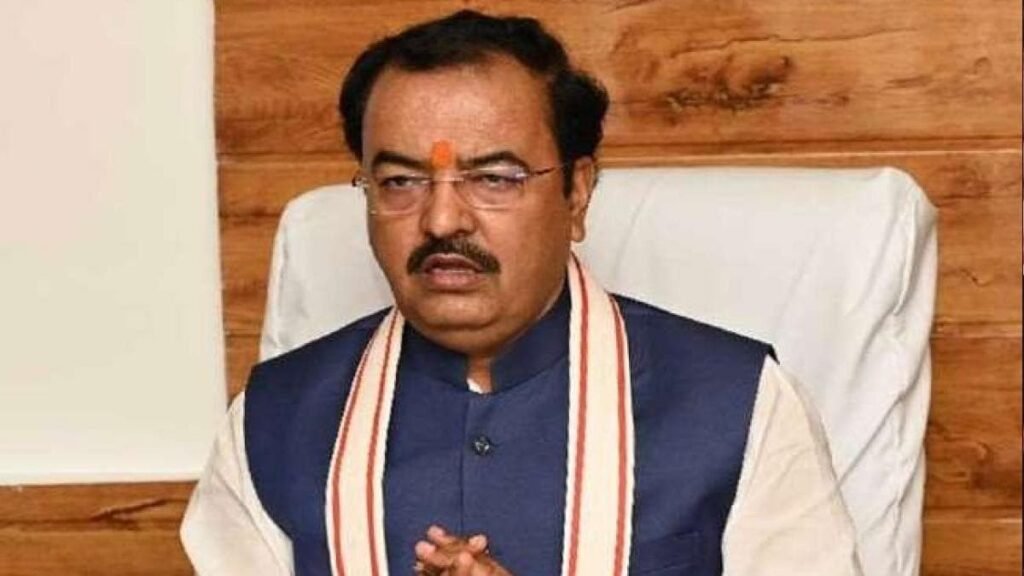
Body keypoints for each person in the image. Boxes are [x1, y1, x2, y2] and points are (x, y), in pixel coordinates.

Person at [182, 10, 861, 576]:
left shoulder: (737, 405)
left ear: (577, 192)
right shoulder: (274, 422)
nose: (441, 220)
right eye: (400, 182)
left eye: (494, 178)